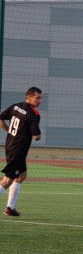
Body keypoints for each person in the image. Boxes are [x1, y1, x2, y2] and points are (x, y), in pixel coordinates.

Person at [0, 87, 43, 217]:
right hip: (18, 150)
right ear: (28, 97)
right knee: (7, 180)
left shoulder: (16, 106)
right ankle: (10, 207)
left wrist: (8, 131)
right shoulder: (33, 114)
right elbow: (36, 136)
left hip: (10, 146)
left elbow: (1, 118)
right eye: (37, 98)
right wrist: (35, 135)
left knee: (21, 176)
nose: (40, 101)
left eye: (41, 98)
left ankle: (10, 208)